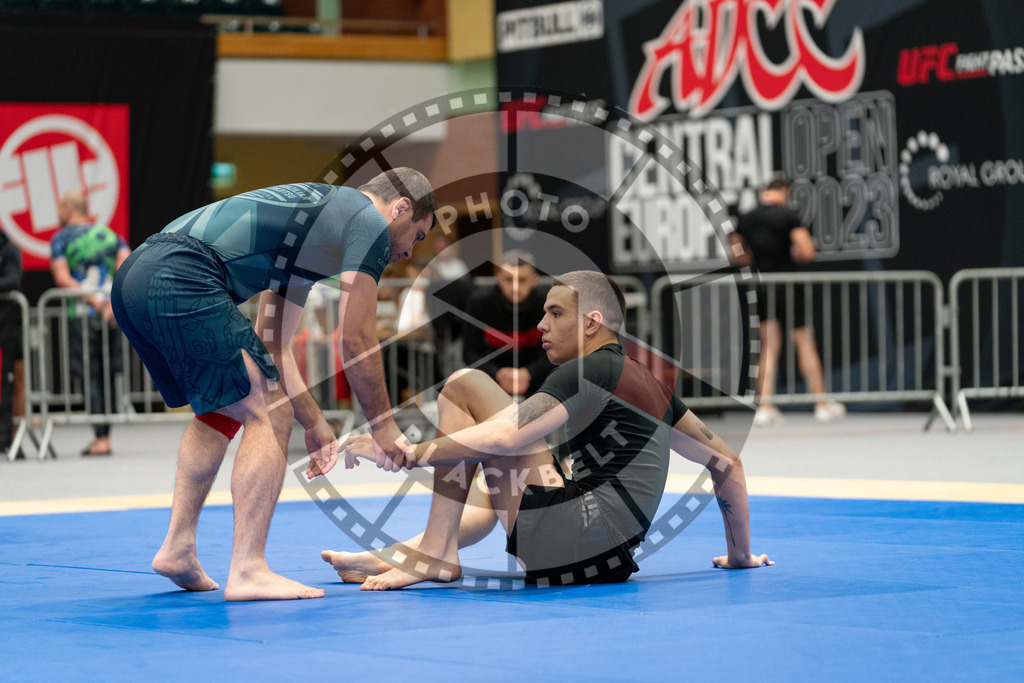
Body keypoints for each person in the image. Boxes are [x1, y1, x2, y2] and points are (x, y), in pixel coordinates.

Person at [324, 270, 772, 589]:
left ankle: (437, 553)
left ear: (592, 322)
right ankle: (403, 553)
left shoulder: (589, 369)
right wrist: (739, 556)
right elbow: (728, 463)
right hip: (607, 561)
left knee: (465, 386)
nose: (541, 324)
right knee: (482, 482)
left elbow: (505, 437)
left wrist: (408, 452)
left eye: (555, 313)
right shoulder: (649, 384)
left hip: (569, 541)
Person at [111, 168, 437, 601]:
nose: (407, 252)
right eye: (415, 236)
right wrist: (383, 425)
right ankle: (248, 568)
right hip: (183, 274)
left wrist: (316, 423)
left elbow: (276, 345)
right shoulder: (369, 222)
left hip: (136, 275)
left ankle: (178, 546)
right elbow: (356, 336)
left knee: (226, 407)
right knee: (270, 409)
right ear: (401, 208)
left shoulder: (314, 231)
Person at [729, 178, 846, 426]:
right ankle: (822, 405)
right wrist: (793, 254)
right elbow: (807, 250)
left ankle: (765, 407)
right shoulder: (787, 215)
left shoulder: (747, 218)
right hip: (789, 287)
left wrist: (755, 257)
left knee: (769, 347)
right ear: (784, 191)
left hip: (763, 287)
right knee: (804, 343)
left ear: (764, 192)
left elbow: (736, 254)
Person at [50, 191, 131, 456]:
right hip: (111, 313)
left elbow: (62, 278)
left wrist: (92, 300)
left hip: (82, 313)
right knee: (109, 373)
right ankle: (106, 433)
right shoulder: (111, 236)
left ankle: (100, 436)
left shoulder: (61, 239)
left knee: (89, 375)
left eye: (60, 208)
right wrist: (110, 302)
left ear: (68, 208)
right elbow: (127, 266)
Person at [463, 250, 552, 399]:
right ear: (498, 279)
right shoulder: (480, 303)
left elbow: (560, 351)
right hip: (492, 383)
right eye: (509, 280)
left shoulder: (548, 303)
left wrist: (529, 373)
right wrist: (498, 374)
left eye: (522, 280)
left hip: (541, 384)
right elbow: (470, 352)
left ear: (534, 280)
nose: (515, 287)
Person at [0, 228, 22, 457]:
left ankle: (9, 435)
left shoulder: (9, 248)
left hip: (8, 326)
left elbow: (13, 280)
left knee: (13, 380)